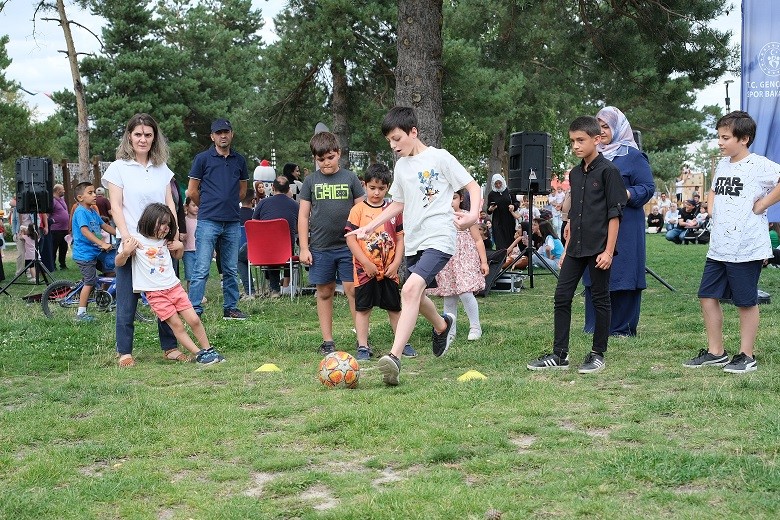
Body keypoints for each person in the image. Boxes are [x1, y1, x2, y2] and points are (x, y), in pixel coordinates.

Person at [346, 106, 481, 386]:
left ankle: (394, 358)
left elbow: (473, 188)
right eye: (389, 142)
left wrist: (473, 215)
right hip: (415, 241)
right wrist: (371, 225)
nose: (393, 146)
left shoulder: (439, 158)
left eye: (397, 139)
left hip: (440, 237)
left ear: (413, 132)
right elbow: (399, 203)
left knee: (409, 289)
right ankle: (443, 326)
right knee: (415, 297)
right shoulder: (402, 166)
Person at [527, 116, 627, 374]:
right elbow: (575, 215)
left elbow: (615, 215)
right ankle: (560, 354)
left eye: (581, 140)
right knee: (562, 296)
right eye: (572, 141)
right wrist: (568, 243)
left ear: (597, 139)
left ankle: (597, 354)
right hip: (575, 247)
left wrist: (608, 251)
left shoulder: (609, 172)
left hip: (599, 248)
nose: (575, 146)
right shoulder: (574, 173)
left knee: (600, 299)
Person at [684, 111, 780, 373]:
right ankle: (716, 352)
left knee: (745, 302)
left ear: (744, 139)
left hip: (746, 246)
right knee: (707, 296)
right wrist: (712, 207)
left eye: (725, 137)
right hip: (719, 247)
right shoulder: (724, 164)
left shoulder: (760, 165)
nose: (720, 142)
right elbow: (714, 189)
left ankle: (746, 356)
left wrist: (762, 204)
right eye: (719, 136)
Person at [103, 113, 187, 368]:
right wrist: (127, 239)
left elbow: (170, 204)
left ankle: (170, 347)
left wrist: (174, 236)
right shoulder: (118, 168)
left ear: (154, 137)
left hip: (160, 244)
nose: (143, 139)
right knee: (127, 299)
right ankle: (125, 352)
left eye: (148, 135)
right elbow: (115, 207)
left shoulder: (162, 169)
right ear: (129, 136)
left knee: (167, 296)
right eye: (138, 134)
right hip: (133, 244)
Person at [115, 203, 225, 366]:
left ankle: (208, 349)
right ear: (149, 221)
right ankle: (199, 354)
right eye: (162, 223)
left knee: (194, 319)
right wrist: (125, 251)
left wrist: (179, 247)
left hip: (175, 288)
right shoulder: (135, 240)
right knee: (177, 325)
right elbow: (118, 262)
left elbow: (178, 256)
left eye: (168, 224)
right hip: (156, 294)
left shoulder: (166, 241)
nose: (166, 228)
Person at [582, 107, 654, 337]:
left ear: (618, 127)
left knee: (622, 272)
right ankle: (595, 325)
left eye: (606, 127)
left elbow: (647, 187)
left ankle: (621, 327)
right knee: (596, 271)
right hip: (596, 224)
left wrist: (624, 194)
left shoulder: (632, 156)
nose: (601, 132)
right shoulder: (591, 156)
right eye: (598, 127)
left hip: (625, 225)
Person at [298, 131, 365, 354]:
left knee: (352, 290)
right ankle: (328, 341)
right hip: (320, 247)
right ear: (315, 159)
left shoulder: (350, 178)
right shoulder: (310, 181)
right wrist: (305, 247)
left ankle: (362, 340)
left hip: (349, 246)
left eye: (330, 157)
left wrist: (362, 241)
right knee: (324, 291)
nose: (326, 163)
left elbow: (362, 211)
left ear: (339, 154)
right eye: (321, 159)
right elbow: (303, 216)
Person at [344, 163, 416, 361]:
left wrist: (396, 264)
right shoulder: (357, 210)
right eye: (372, 188)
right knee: (363, 308)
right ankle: (363, 346)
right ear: (365, 185)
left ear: (388, 188)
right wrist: (366, 263)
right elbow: (350, 239)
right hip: (364, 271)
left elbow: (401, 238)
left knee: (395, 308)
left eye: (381, 188)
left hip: (389, 271)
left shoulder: (394, 210)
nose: (376, 193)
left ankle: (402, 343)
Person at [186, 118, 249, 321]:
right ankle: (194, 308)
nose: (223, 135)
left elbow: (242, 191)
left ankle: (230, 308)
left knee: (230, 268)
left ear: (232, 134)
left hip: (231, 220)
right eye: (219, 132)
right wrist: (206, 205)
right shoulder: (202, 159)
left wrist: (227, 203)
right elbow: (192, 190)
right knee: (202, 267)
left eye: (226, 132)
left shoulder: (239, 160)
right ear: (212, 136)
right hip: (208, 220)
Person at [426, 189, 489, 342]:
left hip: (464, 259)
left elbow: (478, 240)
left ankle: (475, 326)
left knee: (466, 292)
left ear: (460, 199)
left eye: (453, 198)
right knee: (449, 296)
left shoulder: (467, 216)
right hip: (447, 261)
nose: (450, 201)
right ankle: (450, 330)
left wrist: (484, 261)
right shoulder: (439, 217)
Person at [238, 176, 299, 297]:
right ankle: (275, 290)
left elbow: (254, 226)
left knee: (240, 257)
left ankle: (251, 291)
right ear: (288, 189)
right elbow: (297, 229)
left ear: (272, 187)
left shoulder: (263, 203)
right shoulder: (295, 205)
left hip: (263, 250)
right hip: (286, 251)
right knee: (274, 245)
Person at [70, 181, 117, 321]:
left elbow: (104, 225)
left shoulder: (92, 211)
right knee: (89, 282)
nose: (94, 194)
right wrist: (102, 242)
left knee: (111, 270)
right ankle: (81, 313)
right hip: (85, 254)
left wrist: (121, 234)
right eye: (90, 193)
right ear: (80, 198)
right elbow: (85, 231)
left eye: (94, 192)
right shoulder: (80, 212)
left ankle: (104, 299)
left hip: (96, 252)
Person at [486, 174, 515, 250]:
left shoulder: (509, 191)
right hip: (498, 220)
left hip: (509, 219)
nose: (498, 185)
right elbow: (488, 210)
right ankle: (501, 258)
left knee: (510, 240)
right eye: (496, 184)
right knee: (500, 241)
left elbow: (516, 202)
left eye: (500, 183)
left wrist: (513, 206)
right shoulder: (491, 194)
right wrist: (490, 209)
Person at [50, 184, 70, 270]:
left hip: (64, 228)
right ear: (58, 190)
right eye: (63, 189)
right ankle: (52, 265)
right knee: (54, 248)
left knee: (63, 247)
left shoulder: (62, 200)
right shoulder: (52, 201)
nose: (64, 191)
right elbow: (48, 214)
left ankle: (63, 264)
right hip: (55, 229)